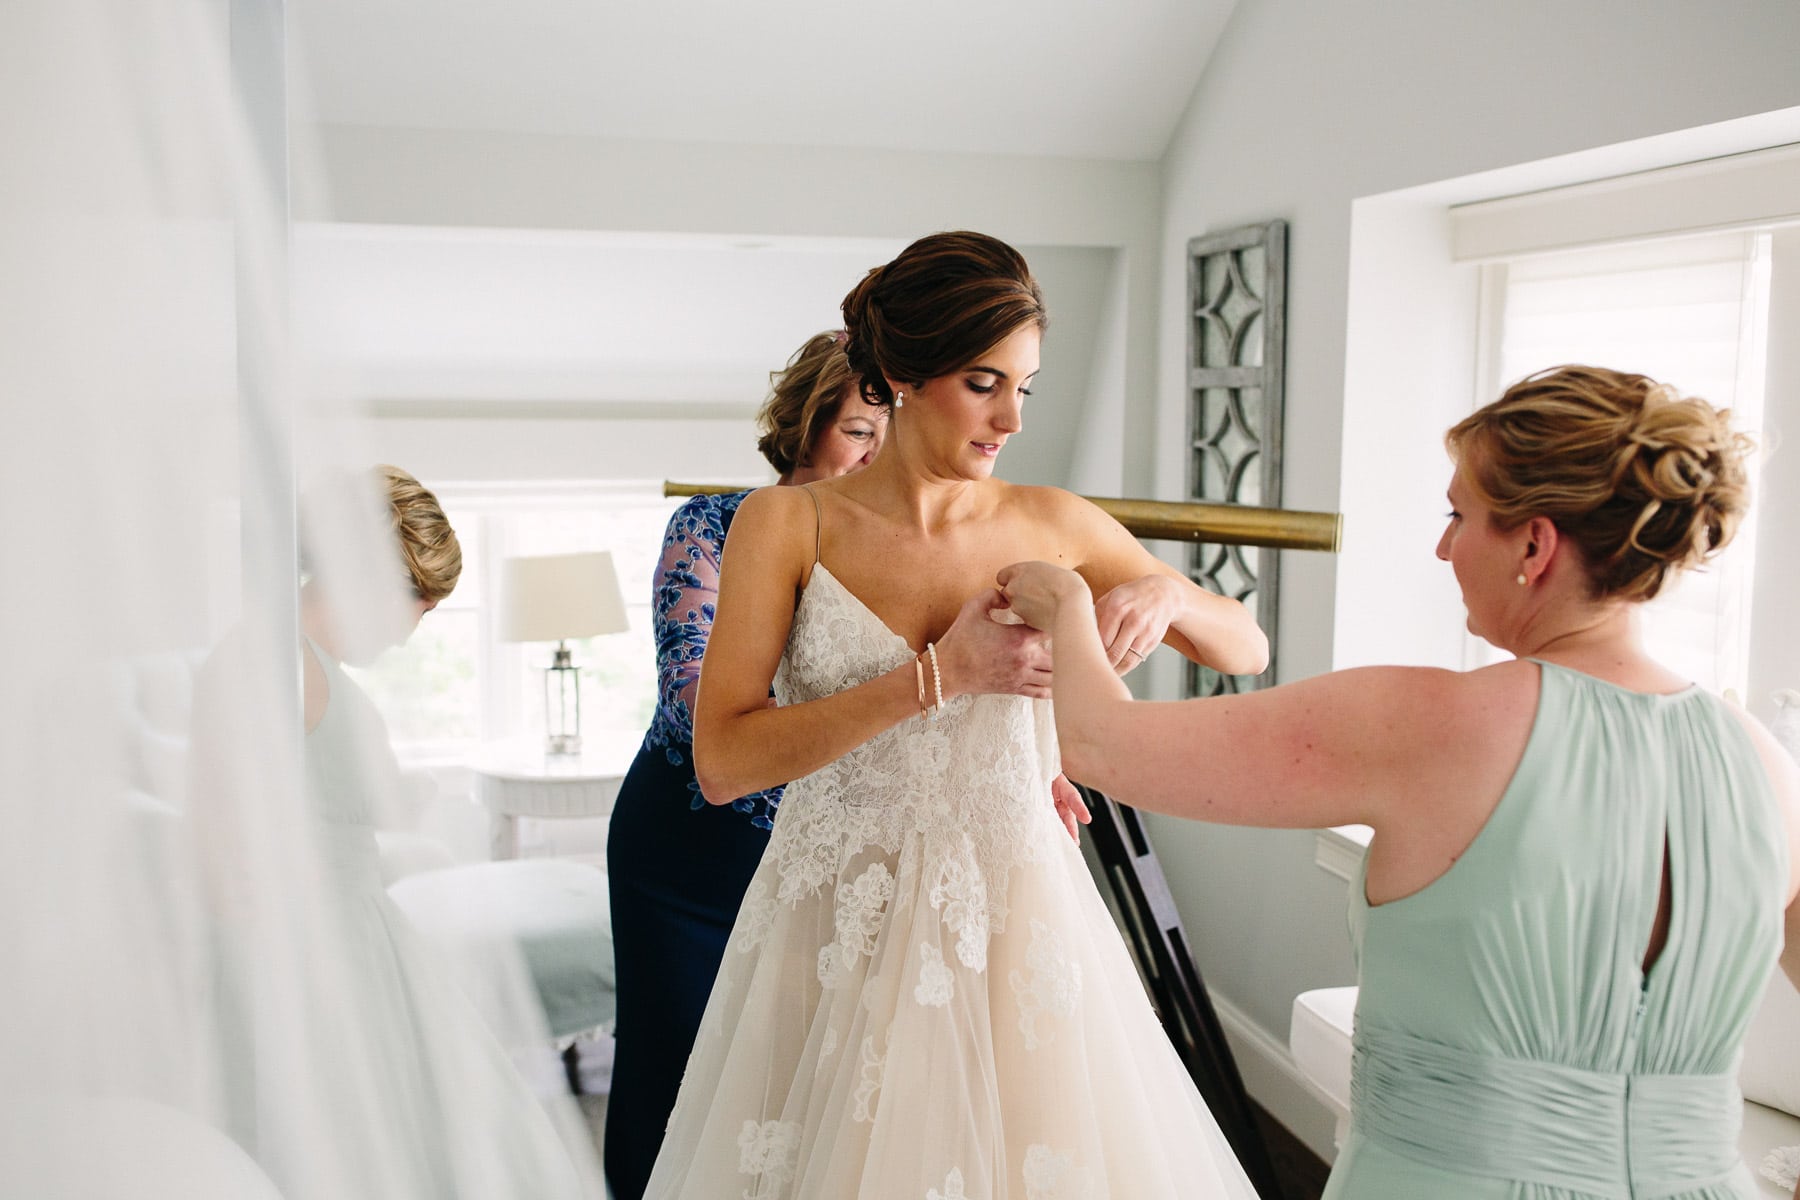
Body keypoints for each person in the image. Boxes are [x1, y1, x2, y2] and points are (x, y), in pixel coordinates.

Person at [999, 364, 1800, 1200]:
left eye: (1460, 515)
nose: (1443, 546)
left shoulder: (1432, 723)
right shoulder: (1765, 763)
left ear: (1535, 544)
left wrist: (1065, 603)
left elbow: (1102, 745)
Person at [642, 232, 1267, 1200]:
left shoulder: (1052, 519)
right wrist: (938, 675)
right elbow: (724, 759)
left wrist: (1175, 599)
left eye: (1027, 386)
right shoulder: (790, 525)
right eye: (985, 383)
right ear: (899, 374)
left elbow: (1248, 648)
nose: (1013, 417)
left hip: (1015, 928)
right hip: (831, 922)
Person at [205, 464, 593, 1200]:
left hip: (358, 940)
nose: (413, 633)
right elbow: (228, 843)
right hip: (315, 953)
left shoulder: (304, 664)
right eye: (421, 604)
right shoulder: (272, 662)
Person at [603, 330, 887, 1200]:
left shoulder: (897, 555)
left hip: (830, 856)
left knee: (803, 1087)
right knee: (675, 1073)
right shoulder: (711, 525)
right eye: (858, 433)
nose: (873, 460)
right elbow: (698, 708)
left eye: (890, 442)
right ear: (806, 425)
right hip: (686, 858)